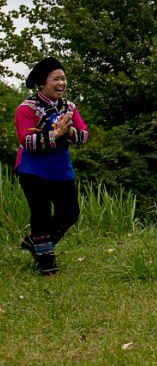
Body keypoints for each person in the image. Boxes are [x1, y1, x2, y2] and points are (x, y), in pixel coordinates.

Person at [14, 57, 89, 275]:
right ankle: (46, 264)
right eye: (56, 78)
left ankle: (34, 243)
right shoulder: (27, 108)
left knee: (70, 213)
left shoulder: (69, 107)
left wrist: (70, 132)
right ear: (41, 83)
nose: (62, 83)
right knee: (41, 215)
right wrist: (55, 134)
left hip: (61, 170)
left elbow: (84, 135)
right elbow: (26, 141)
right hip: (33, 170)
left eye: (64, 78)